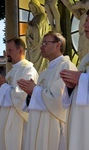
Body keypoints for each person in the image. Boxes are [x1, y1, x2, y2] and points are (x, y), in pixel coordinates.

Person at [17, 32, 77, 150]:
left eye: (45, 43)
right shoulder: (44, 72)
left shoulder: (66, 66)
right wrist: (30, 93)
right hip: (38, 122)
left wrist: (34, 90)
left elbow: (59, 99)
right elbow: (37, 97)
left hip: (53, 124)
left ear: (57, 45)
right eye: (42, 43)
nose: (41, 46)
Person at [0, 37, 38, 150]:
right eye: (7, 50)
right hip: (4, 118)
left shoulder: (28, 70)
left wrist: (3, 86)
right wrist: (0, 87)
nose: (7, 53)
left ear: (20, 51)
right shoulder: (11, 72)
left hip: (18, 121)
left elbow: (22, 96)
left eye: (10, 50)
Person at [60, 10, 89, 150]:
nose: (85, 26)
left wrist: (82, 79)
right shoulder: (86, 59)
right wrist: (72, 87)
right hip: (80, 122)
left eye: (88, 21)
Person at [26, 0, 49, 73]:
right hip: (32, 45)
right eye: (31, 9)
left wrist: (30, 26)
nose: (32, 10)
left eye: (33, 8)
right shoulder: (34, 18)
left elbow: (38, 29)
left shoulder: (42, 16)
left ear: (37, 7)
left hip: (39, 44)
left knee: (39, 67)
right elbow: (30, 31)